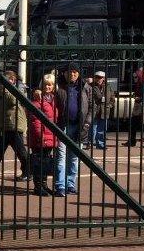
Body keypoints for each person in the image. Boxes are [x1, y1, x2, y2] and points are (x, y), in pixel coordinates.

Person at [53, 63, 87, 195]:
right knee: (61, 157)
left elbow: (91, 107)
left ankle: (70, 184)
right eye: (69, 72)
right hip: (62, 126)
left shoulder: (85, 88)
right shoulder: (59, 87)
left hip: (78, 126)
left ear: (78, 73)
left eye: (74, 72)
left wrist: (86, 125)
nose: (72, 74)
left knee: (74, 158)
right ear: (64, 73)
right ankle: (60, 185)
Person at [0, 70, 31, 182]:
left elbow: (14, 101)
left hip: (15, 124)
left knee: (21, 152)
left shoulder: (18, 88)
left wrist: (6, 89)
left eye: (8, 79)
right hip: (5, 125)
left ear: (13, 80)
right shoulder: (1, 91)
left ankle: (28, 172)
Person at [30, 75, 60, 197]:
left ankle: (44, 185)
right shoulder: (38, 99)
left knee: (46, 161)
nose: (48, 87)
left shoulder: (53, 99)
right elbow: (35, 120)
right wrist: (40, 134)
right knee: (39, 161)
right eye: (46, 84)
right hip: (41, 136)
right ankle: (38, 186)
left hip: (50, 135)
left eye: (50, 84)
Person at [124, 66, 144, 148]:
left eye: (137, 75)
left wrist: (140, 98)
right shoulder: (142, 82)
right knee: (134, 123)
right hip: (140, 105)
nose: (135, 78)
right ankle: (132, 141)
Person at [84, 71, 115, 150]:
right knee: (92, 128)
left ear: (104, 78)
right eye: (97, 77)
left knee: (102, 129)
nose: (98, 79)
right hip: (94, 110)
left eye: (100, 77)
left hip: (104, 111)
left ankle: (100, 144)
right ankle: (90, 143)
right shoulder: (91, 86)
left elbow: (112, 97)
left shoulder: (108, 86)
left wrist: (110, 105)